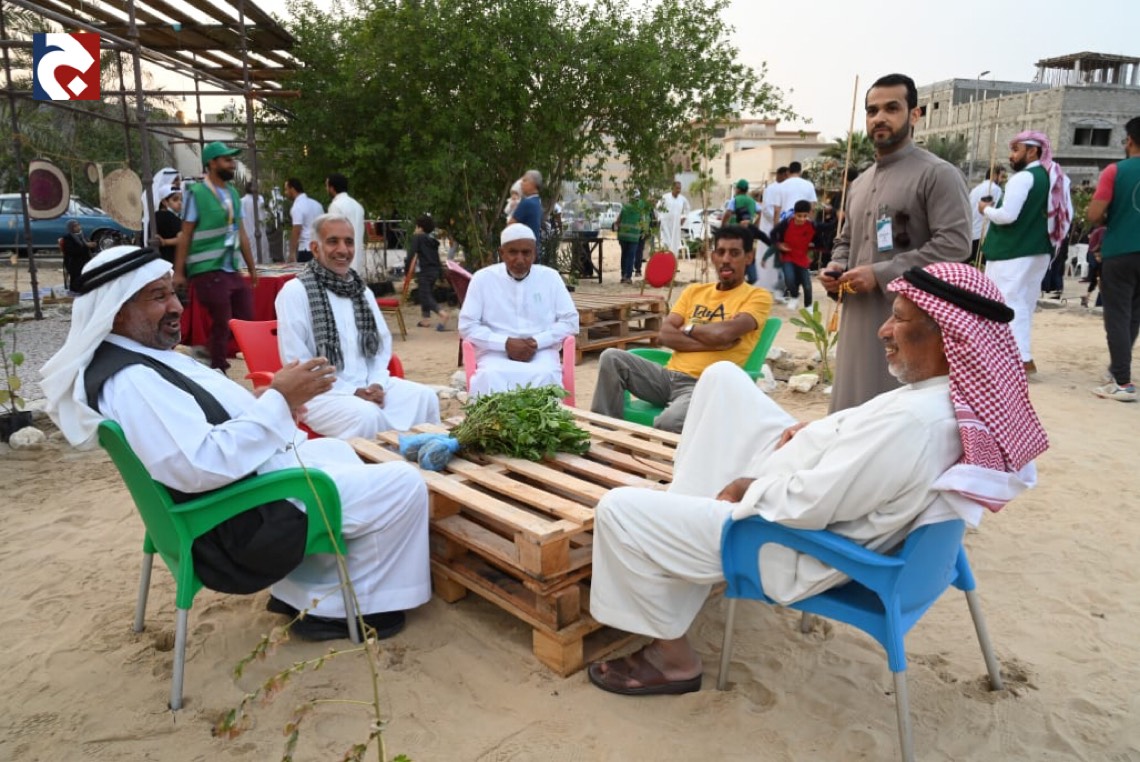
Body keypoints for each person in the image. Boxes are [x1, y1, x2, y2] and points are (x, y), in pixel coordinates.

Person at [585, 262, 1047, 695]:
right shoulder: (942, 399)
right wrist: (818, 432)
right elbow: (865, 453)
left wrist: (747, 486)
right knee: (723, 378)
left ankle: (672, 659)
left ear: (950, 337)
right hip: (808, 477)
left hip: (787, 543)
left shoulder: (915, 424)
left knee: (619, 510)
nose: (884, 330)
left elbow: (809, 505)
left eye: (900, 319)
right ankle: (686, 515)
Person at [39, 246, 432, 641]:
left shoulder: (140, 356)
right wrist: (279, 401)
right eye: (158, 297)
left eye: (174, 293)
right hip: (238, 526)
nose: (176, 307)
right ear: (116, 312)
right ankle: (345, 611)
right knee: (403, 484)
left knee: (340, 450)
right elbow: (199, 463)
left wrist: (270, 402)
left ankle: (304, 592)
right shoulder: (132, 380)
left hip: (237, 495)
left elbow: (199, 432)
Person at [821, 73, 972, 413]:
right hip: (858, 316)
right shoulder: (860, 183)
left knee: (894, 410)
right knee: (852, 406)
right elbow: (845, 240)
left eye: (891, 108)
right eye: (872, 111)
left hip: (910, 320)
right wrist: (837, 266)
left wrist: (880, 273)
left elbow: (955, 244)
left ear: (914, 114)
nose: (880, 118)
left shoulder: (938, 174)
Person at [590, 225, 773, 433]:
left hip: (704, 386)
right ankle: (604, 434)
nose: (726, 259)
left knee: (668, 423)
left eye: (734, 253)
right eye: (721, 252)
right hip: (667, 378)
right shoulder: (694, 291)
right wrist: (712, 342)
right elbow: (665, 335)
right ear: (713, 257)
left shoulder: (757, 297)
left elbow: (724, 334)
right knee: (612, 358)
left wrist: (687, 329)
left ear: (749, 257)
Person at [276, 214, 440, 438]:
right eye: (333, 242)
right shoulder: (295, 292)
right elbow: (297, 361)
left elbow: (381, 347)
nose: (343, 250)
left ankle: (420, 454)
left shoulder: (361, 291)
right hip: (319, 394)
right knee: (367, 416)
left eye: (349, 242)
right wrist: (353, 391)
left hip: (368, 384)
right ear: (315, 248)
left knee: (425, 397)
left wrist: (376, 384)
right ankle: (382, 459)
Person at [979, 131, 1072, 374]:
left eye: (1016, 150)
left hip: (1012, 250)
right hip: (1040, 250)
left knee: (1008, 302)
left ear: (1032, 151)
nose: (1011, 156)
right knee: (1024, 304)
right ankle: (1022, 356)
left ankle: (1020, 358)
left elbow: (1007, 215)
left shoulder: (1023, 178)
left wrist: (986, 209)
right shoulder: (1054, 177)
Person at [458, 223, 578, 397]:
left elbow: (570, 321)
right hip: (495, 353)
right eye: (513, 252)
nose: (520, 260)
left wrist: (537, 341)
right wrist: (505, 343)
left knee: (547, 375)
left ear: (535, 253)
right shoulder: (482, 279)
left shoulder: (550, 277)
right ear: (502, 253)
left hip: (541, 352)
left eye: (526, 253)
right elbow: (467, 325)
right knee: (489, 376)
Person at [174, 141, 258, 373]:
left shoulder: (233, 193)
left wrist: (252, 268)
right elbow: (186, 234)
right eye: (227, 160)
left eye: (232, 160)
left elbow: (241, 233)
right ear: (212, 163)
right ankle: (218, 366)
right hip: (206, 268)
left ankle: (210, 352)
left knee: (245, 316)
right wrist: (179, 272)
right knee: (222, 318)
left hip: (230, 268)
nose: (232, 164)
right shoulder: (197, 193)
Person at [1086, 115, 1140, 402]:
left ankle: (1122, 381)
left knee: (1117, 316)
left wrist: (1109, 217)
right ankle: (1117, 370)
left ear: (1129, 140)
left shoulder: (1115, 171)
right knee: (1134, 316)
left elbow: (1094, 214)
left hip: (1121, 251)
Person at [407, 214, 450, 328]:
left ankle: (442, 314)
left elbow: (411, 255)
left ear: (420, 228)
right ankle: (425, 319)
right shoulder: (432, 241)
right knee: (426, 293)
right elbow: (437, 258)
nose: (415, 229)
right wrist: (441, 275)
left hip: (425, 271)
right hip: (434, 271)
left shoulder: (418, 238)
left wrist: (407, 272)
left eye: (416, 227)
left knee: (425, 295)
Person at [772, 199, 816, 308]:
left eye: (805, 216)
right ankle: (794, 295)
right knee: (789, 279)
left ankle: (808, 306)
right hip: (788, 257)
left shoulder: (811, 225)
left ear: (808, 215)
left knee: (807, 285)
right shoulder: (786, 223)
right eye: (799, 216)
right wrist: (779, 245)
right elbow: (773, 233)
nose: (802, 219)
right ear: (794, 214)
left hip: (802, 258)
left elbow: (822, 233)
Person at [326, 173, 366, 273]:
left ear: (332, 188)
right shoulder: (357, 205)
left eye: (327, 186)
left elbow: (333, 233)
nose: (326, 189)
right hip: (357, 256)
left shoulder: (336, 206)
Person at [968, 169, 1004, 263]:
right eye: (1002, 177)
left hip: (971, 232)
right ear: (994, 175)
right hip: (983, 233)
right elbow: (994, 213)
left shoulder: (975, 189)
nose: (1002, 180)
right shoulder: (996, 189)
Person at [285, 178, 324, 263]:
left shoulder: (297, 207)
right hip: (320, 247)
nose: (285, 193)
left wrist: (292, 253)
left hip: (306, 249)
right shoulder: (317, 204)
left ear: (292, 189)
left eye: (286, 189)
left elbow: (296, 230)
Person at [508, 170, 544, 257]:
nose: (521, 183)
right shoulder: (537, 202)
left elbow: (510, 225)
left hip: (522, 251)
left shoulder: (526, 203)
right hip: (532, 249)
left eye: (525, 180)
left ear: (533, 184)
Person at [616, 190, 648, 284]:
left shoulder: (624, 207)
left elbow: (618, 221)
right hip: (634, 237)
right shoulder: (640, 210)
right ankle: (628, 277)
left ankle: (623, 275)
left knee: (624, 255)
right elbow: (643, 223)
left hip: (623, 236)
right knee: (631, 256)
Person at [656, 181, 691, 258]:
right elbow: (658, 207)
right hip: (665, 225)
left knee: (675, 244)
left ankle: (673, 261)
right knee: (665, 242)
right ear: (672, 188)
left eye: (680, 188)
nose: (679, 190)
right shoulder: (665, 197)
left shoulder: (682, 199)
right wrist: (660, 218)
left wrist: (684, 217)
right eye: (677, 188)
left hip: (676, 225)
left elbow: (687, 208)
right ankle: (665, 260)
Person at [241, 182, 272, 265]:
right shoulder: (260, 200)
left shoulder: (241, 202)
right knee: (262, 264)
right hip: (260, 236)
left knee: (248, 264)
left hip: (247, 237)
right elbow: (264, 218)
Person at [60, 219, 95, 293]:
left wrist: (92, 245)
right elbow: (72, 251)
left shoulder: (82, 235)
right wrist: (86, 246)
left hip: (85, 258)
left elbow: (87, 246)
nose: (78, 227)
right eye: (75, 226)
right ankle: (77, 288)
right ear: (71, 228)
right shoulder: (67, 238)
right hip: (73, 261)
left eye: (78, 225)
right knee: (78, 270)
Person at [150, 185, 182, 265]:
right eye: (175, 200)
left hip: (157, 261)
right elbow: (183, 239)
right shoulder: (170, 217)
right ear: (164, 202)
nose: (179, 203)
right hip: (172, 261)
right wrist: (165, 242)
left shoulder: (154, 216)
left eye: (181, 200)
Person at [758, 167, 789, 238]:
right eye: (788, 176)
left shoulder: (784, 188)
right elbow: (766, 209)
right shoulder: (771, 189)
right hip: (769, 226)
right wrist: (778, 220)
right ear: (783, 175)